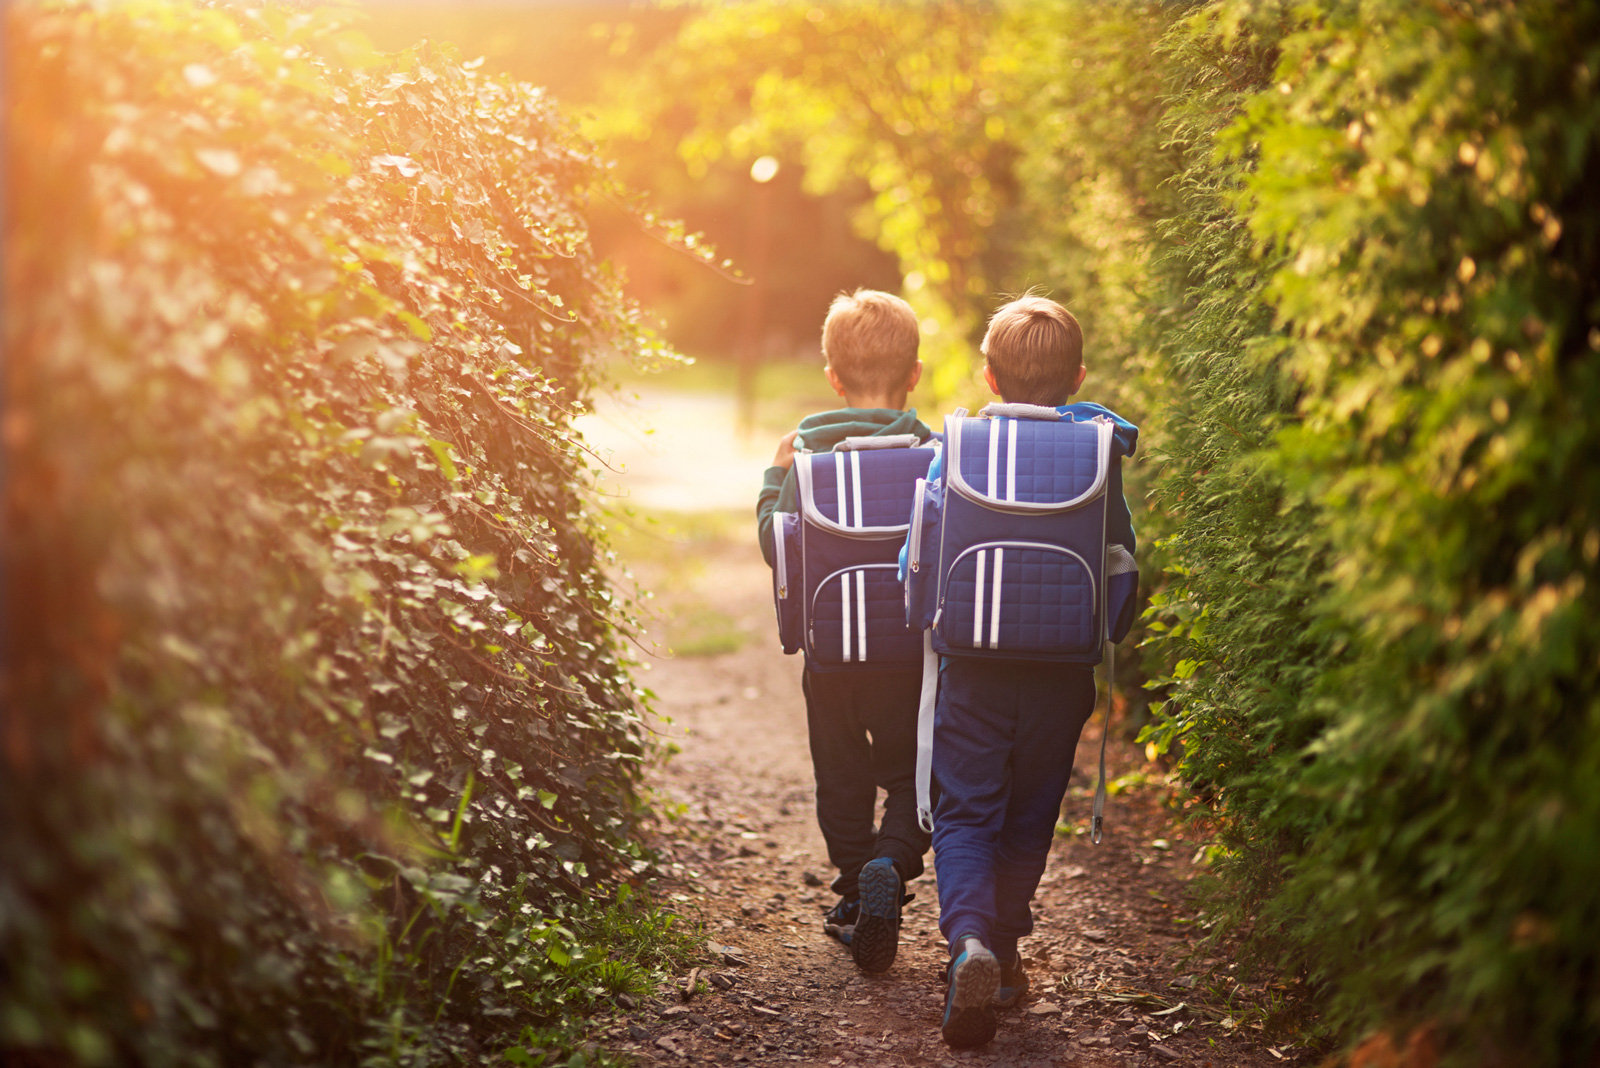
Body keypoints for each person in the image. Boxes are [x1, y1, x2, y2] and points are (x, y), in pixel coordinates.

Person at [907, 295, 1138, 1047]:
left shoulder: (958, 444)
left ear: (990, 376)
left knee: (966, 812)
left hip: (973, 665)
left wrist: (926, 623)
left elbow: (917, 558)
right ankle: (1004, 957)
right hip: (1060, 674)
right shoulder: (1097, 452)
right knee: (1030, 815)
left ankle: (970, 941)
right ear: (1077, 376)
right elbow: (1122, 565)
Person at [756, 289, 933, 974]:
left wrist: (772, 480)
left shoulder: (806, 456)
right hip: (911, 655)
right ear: (914, 373)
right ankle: (893, 860)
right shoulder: (934, 453)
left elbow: (777, 547)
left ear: (833, 378)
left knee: (841, 776)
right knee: (913, 774)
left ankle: (858, 893)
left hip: (832, 656)